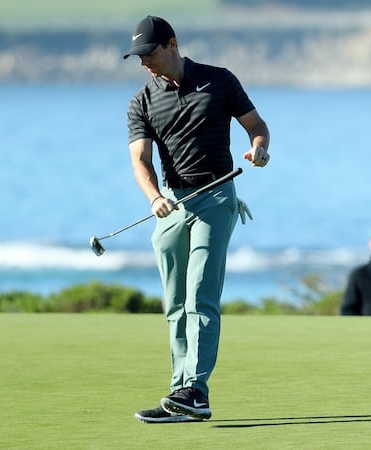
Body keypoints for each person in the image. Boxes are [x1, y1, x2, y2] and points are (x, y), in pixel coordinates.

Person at [122, 16, 270, 423]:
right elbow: (140, 161)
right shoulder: (141, 101)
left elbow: (256, 125)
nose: (144, 63)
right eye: (138, 57)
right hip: (171, 202)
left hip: (217, 196)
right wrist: (154, 198)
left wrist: (259, 148)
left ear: (171, 45)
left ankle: (196, 391)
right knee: (174, 303)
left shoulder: (219, 80)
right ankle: (180, 393)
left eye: (149, 53)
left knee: (200, 295)